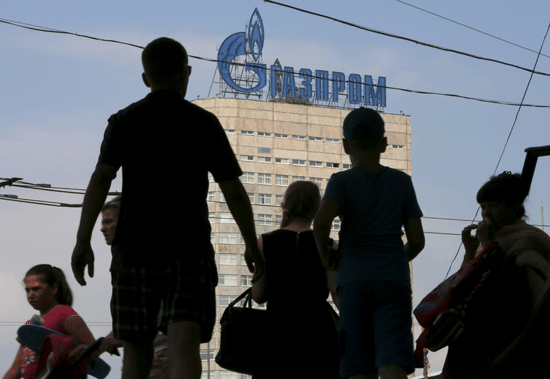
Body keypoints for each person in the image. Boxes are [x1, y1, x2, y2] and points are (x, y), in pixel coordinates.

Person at [71, 37, 264, 379]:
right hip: (188, 249)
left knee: (136, 350)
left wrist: (83, 240)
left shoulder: (124, 121)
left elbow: (100, 180)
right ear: (185, 73)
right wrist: (251, 242)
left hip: (134, 250)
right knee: (184, 346)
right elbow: (233, 190)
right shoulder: (202, 123)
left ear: (146, 78)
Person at [313, 107, 425, 379]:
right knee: (393, 361)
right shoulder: (401, 182)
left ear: (345, 145)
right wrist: (396, 259)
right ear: (384, 144)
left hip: (353, 279)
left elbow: (321, 222)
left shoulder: (341, 182)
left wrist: (326, 257)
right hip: (393, 280)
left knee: (357, 364)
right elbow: (418, 241)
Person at [251, 181, 339, 379]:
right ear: (317, 208)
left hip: (277, 332)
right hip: (319, 333)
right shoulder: (329, 245)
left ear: (286, 206)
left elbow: (258, 296)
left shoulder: (265, 242)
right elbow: (336, 293)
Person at [100, 197, 171, 379]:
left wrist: (113, 339)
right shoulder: (126, 259)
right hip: (146, 355)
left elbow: (152, 313)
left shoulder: (145, 260)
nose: (102, 228)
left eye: (109, 221)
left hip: (157, 355)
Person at [3, 265, 96, 379]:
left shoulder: (63, 313)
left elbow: (92, 347)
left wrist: (62, 358)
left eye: (36, 289)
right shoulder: (29, 325)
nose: (30, 294)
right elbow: (15, 370)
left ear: (53, 289)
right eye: (27, 290)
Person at [461, 171, 550, 267]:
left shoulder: (529, 240)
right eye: (483, 207)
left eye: (494, 206)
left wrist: (488, 246)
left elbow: (509, 279)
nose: (486, 213)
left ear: (514, 207)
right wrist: (470, 253)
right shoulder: (489, 240)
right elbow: (464, 281)